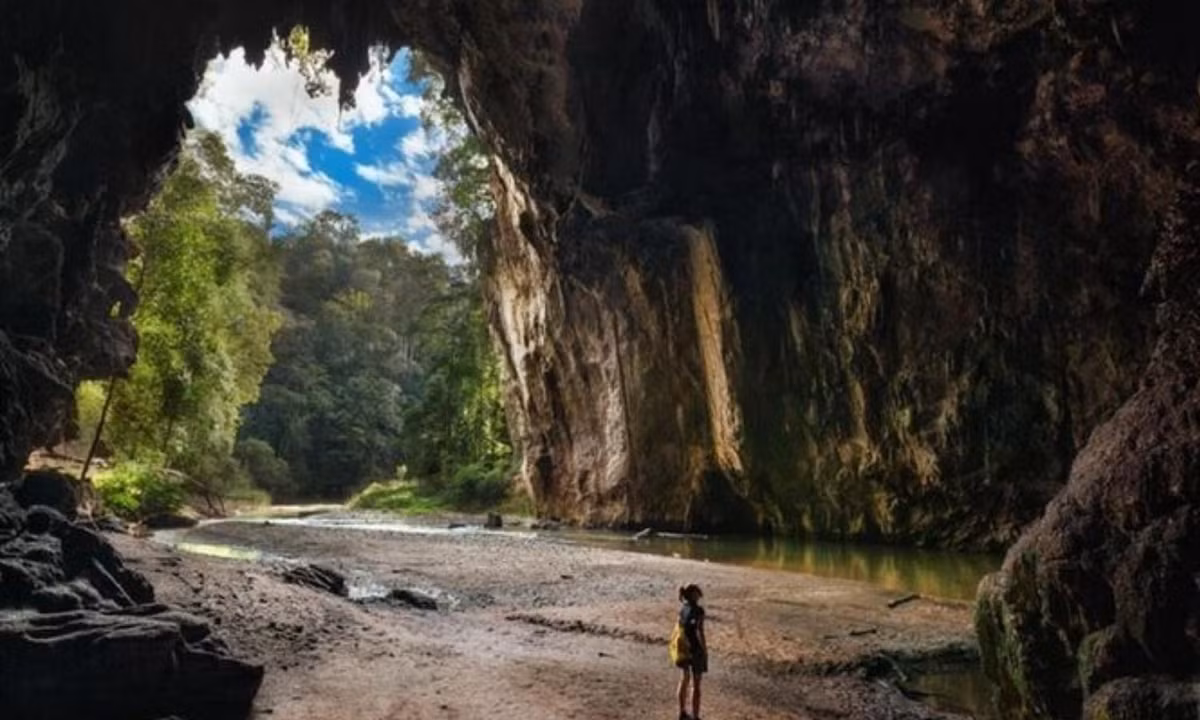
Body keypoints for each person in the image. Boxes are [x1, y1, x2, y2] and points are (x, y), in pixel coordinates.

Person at [671, 583, 707, 720]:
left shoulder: (682, 609)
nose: (700, 594)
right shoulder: (699, 611)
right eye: (698, 592)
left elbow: (679, 629)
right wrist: (704, 650)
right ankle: (695, 716)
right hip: (696, 649)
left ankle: (682, 712)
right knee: (696, 685)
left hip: (683, 649)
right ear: (694, 594)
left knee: (684, 679)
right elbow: (699, 632)